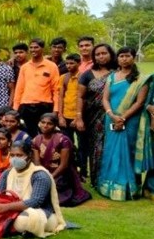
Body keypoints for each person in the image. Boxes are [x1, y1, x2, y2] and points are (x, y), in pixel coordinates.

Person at [0, 139, 67, 239]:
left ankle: (7, 226)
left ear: (29, 156)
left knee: (23, 220)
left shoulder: (40, 175)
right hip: (11, 209)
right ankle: (9, 227)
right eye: (12, 155)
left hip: (40, 213)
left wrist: (6, 207)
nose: (15, 159)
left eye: (19, 155)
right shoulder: (7, 173)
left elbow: (35, 201)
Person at [98, 47, 151, 201]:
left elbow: (140, 103)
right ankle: (109, 187)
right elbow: (105, 99)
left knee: (128, 151)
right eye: (121, 56)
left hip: (130, 120)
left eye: (127, 56)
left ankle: (129, 188)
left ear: (133, 58)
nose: (124, 59)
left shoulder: (141, 79)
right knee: (111, 150)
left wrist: (123, 118)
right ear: (118, 58)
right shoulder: (112, 77)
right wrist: (111, 115)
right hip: (111, 117)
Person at [76, 43, 116, 185]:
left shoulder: (118, 72)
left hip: (114, 115)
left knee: (113, 145)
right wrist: (79, 117)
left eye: (104, 53)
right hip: (92, 117)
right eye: (97, 54)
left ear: (111, 54)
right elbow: (80, 97)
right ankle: (97, 179)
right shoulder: (87, 75)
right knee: (96, 147)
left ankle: (112, 178)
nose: (101, 56)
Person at [32, 113, 91, 206]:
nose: (45, 126)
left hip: (61, 174)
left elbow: (64, 165)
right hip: (44, 172)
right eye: (43, 122)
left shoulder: (63, 140)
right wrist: (43, 176)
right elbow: (37, 163)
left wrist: (50, 177)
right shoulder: (36, 140)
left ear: (55, 126)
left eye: (49, 123)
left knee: (57, 195)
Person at [13, 38, 60, 137]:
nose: (33, 50)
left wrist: (56, 110)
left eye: (36, 47)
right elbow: (19, 89)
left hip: (44, 106)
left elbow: (56, 90)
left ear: (42, 49)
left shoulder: (51, 66)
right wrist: (15, 109)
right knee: (28, 135)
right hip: (26, 106)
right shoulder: (25, 67)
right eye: (31, 47)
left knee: (45, 135)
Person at [57, 53, 81, 144]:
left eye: (71, 63)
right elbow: (60, 97)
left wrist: (77, 118)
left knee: (82, 144)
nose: (68, 66)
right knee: (67, 143)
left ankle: (81, 159)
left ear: (79, 63)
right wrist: (60, 116)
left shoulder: (83, 77)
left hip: (78, 116)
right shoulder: (63, 77)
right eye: (67, 63)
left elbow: (84, 99)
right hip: (65, 116)